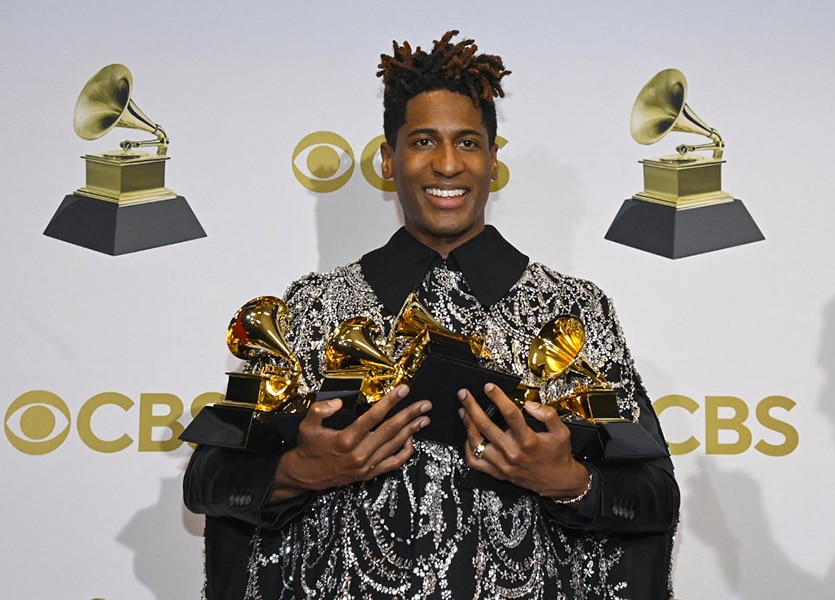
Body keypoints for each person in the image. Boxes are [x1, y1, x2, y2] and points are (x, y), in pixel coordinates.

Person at [184, 30, 680, 600]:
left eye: (468, 143)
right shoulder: (310, 308)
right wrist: (300, 470)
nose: (447, 164)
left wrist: (565, 479)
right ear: (388, 160)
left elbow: (655, 495)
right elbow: (207, 482)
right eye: (424, 141)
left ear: (494, 162)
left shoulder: (573, 311)